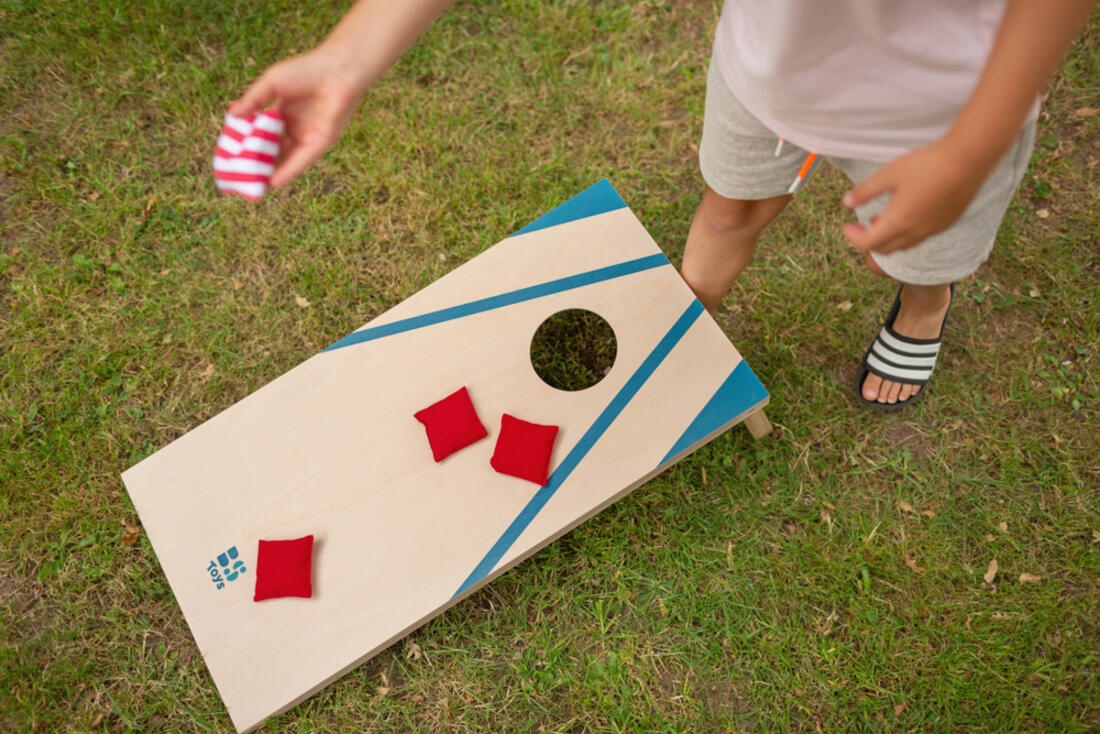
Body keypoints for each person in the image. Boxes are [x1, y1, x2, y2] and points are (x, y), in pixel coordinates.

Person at [233, 0, 1095, 409]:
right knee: (726, 209)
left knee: (912, 253)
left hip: (942, 111)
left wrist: (970, 151)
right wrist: (352, 50)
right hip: (768, 72)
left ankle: (924, 304)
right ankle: (686, 323)